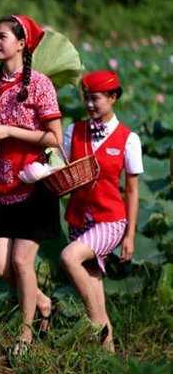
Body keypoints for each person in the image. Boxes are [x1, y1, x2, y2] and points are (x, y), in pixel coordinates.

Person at [0, 15, 63, 357]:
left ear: (22, 44)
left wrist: (9, 131)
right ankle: (43, 302)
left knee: (23, 264)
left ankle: (24, 337)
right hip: (3, 184)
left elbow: (54, 137)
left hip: (34, 182)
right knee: (0, 267)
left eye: (3, 37)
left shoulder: (39, 84)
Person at [60, 70, 142, 352]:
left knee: (70, 257)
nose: (90, 105)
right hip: (78, 218)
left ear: (113, 97)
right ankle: (109, 356)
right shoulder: (74, 131)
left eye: (96, 99)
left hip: (111, 220)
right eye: (86, 99)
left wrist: (130, 236)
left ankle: (95, 323)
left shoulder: (129, 140)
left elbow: (132, 191)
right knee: (94, 281)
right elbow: (58, 166)